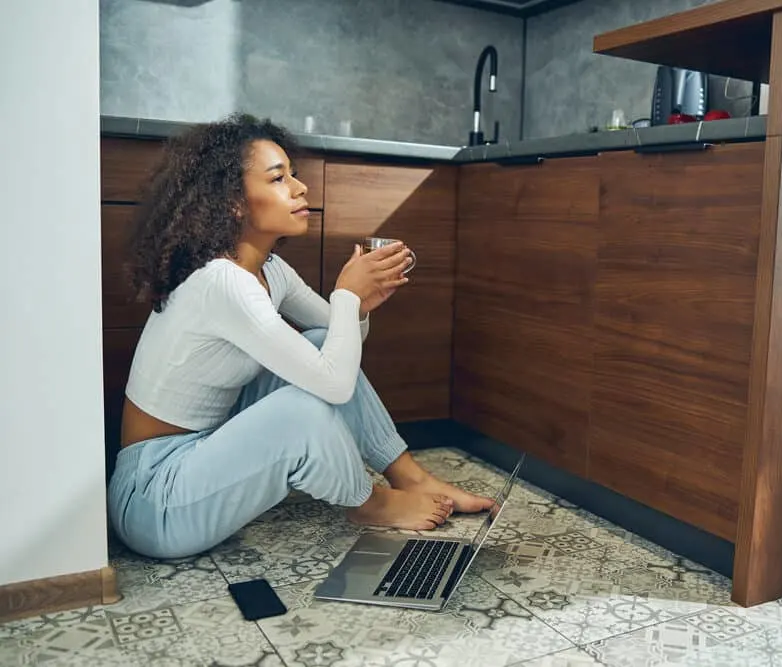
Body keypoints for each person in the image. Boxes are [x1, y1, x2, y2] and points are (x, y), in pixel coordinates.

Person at [107, 113, 493, 560]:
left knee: (313, 343)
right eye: (278, 178)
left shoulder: (268, 269)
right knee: (301, 406)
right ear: (234, 202)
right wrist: (348, 296)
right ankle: (372, 504)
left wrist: (358, 308)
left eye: (294, 174)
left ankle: (410, 475)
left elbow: (334, 339)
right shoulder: (220, 281)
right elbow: (333, 383)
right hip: (155, 498)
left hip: (203, 452)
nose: (299, 187)